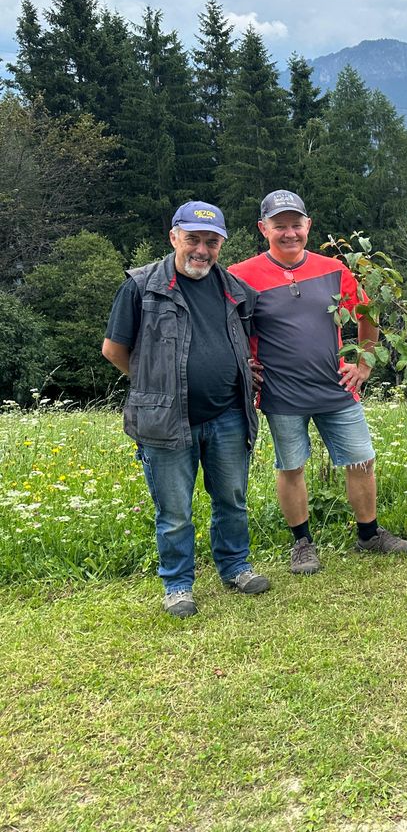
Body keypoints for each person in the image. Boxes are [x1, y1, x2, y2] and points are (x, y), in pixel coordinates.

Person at [229, 190, 407, 575]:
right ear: (263, 229)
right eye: (280, 226)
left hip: (337, 388)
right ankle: (302, 544)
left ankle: (369, 535)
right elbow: (225, 327)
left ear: (308, 225)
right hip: (280, 393)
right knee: (291, 467)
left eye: (296, 224)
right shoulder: (241, 275)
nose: (289, 233)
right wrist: (243, 366)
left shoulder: (333, 268)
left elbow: (367, 313)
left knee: (361, 460)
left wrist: (364, 362)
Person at [101, 201, 270, 618]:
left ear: (221, 245)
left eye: (211, 242)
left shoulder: (234, 289)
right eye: (193, 239)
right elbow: (114, 349)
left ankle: (235, 567)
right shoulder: (141, 286)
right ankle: (178, 585)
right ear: (174, 237)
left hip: (229, 414)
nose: (201, 250)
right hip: (165, 420)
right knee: (175, 512)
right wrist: (154, 383)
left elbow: (243, 343)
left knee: (232, 500)